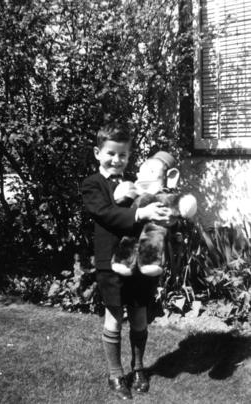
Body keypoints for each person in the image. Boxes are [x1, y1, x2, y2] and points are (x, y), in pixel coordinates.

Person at [81, 123, 175, 400]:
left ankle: (138, 369)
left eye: (122, 155)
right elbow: (106, 214)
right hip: (110, 263)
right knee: (113, 318)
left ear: (129, 157)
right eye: (111, 153)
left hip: (139, 261)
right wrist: (139, 214)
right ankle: (115, 374)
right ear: (98, 153)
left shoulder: (137, 182)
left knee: (139, 316)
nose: (116, 159)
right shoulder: (91, 185)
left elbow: (155, 204)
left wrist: (163, 213)